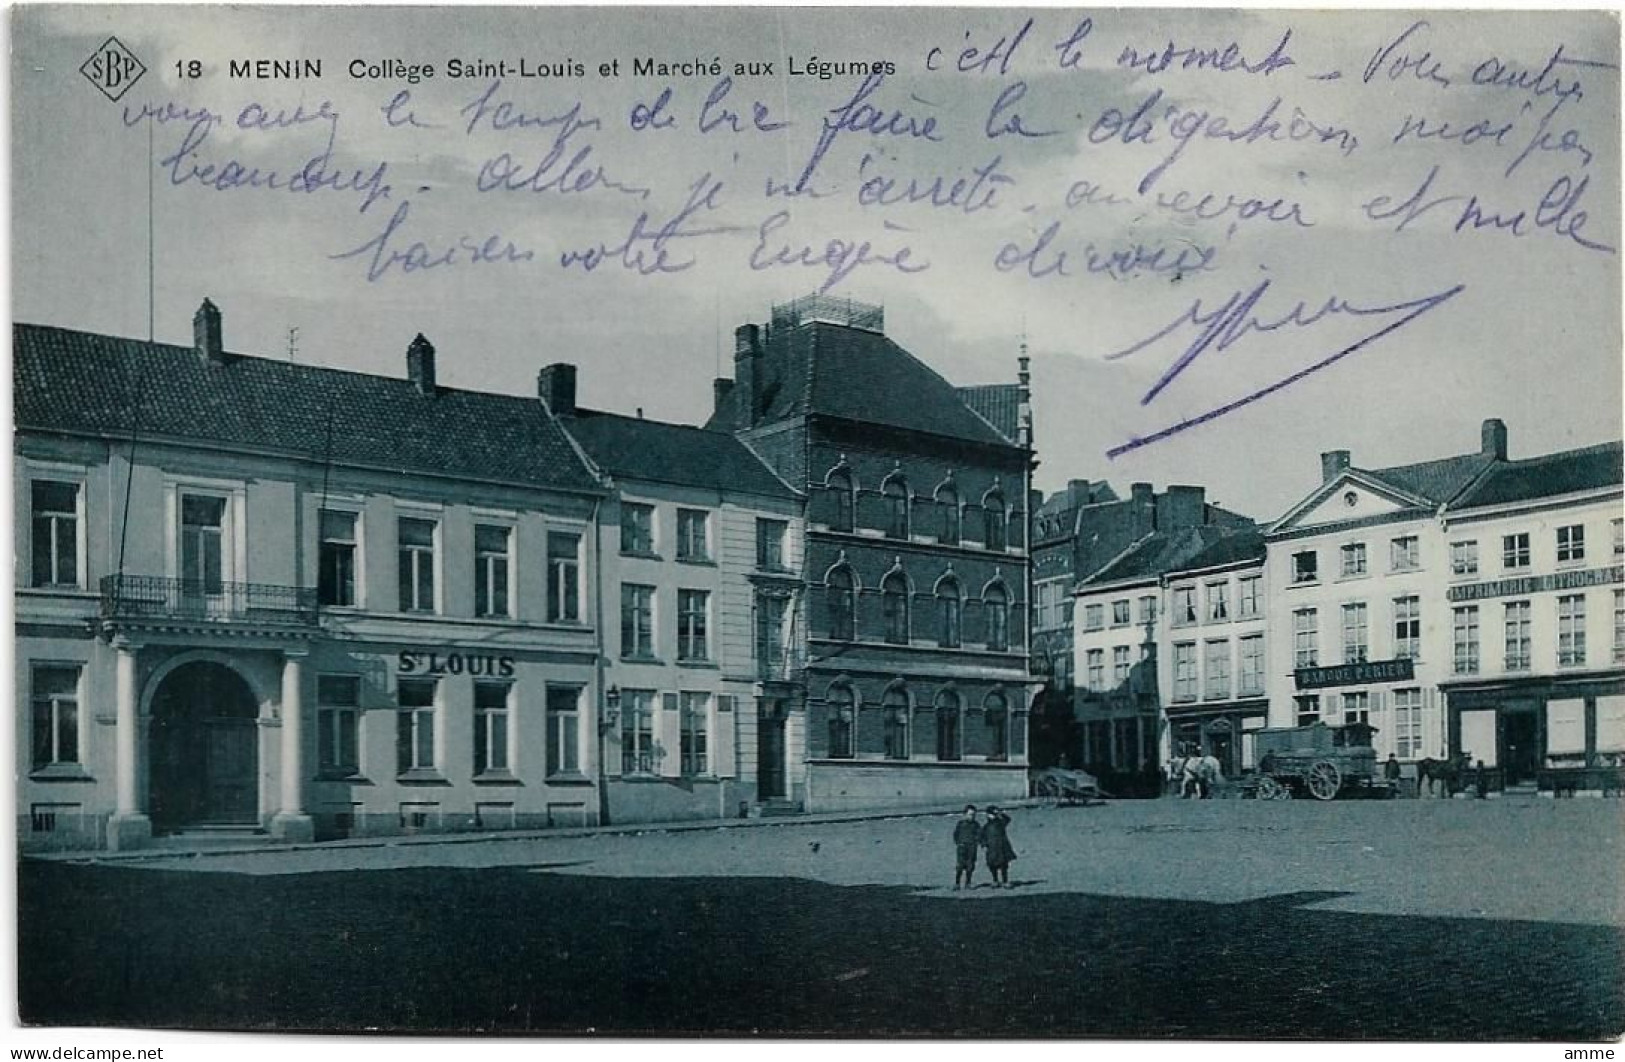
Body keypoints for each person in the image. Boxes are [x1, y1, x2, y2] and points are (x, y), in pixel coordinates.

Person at [980, 806, 1017, 888]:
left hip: (1002, 847)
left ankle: (1005, 881)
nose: (993, 816)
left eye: (994, 814)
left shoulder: (1000, 823)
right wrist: (983, 845)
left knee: (1004, 866)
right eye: (992, 814)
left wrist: (1000, 813)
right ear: (988, 815)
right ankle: (995, 880)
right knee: (992, 866)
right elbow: (982, 837)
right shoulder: (986, 827)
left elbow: (1008, 819)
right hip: (991, 849)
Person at [952, 805, 981, 890]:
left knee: (970, 866)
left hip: (972, 848)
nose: (972, 817)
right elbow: (955, 834)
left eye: (974, 815)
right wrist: (959, 843)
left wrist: (977, 842)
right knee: (960, 866)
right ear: (965, 814)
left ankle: (968, 883)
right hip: (962, 847)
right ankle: (957, 883)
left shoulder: (976, 824)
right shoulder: (961, 824)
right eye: (970, 814)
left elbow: (979, 834)